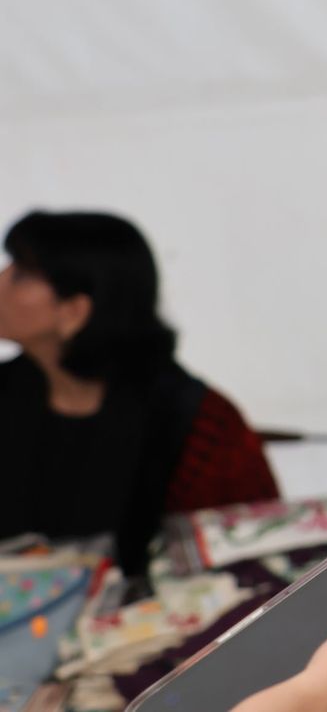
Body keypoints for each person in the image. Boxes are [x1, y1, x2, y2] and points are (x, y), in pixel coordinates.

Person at [0, 210, 278, 575]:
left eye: (21, 274)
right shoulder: (10, 393)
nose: (2, 280)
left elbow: (256, 556)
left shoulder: (198, 423)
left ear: (75, 311)